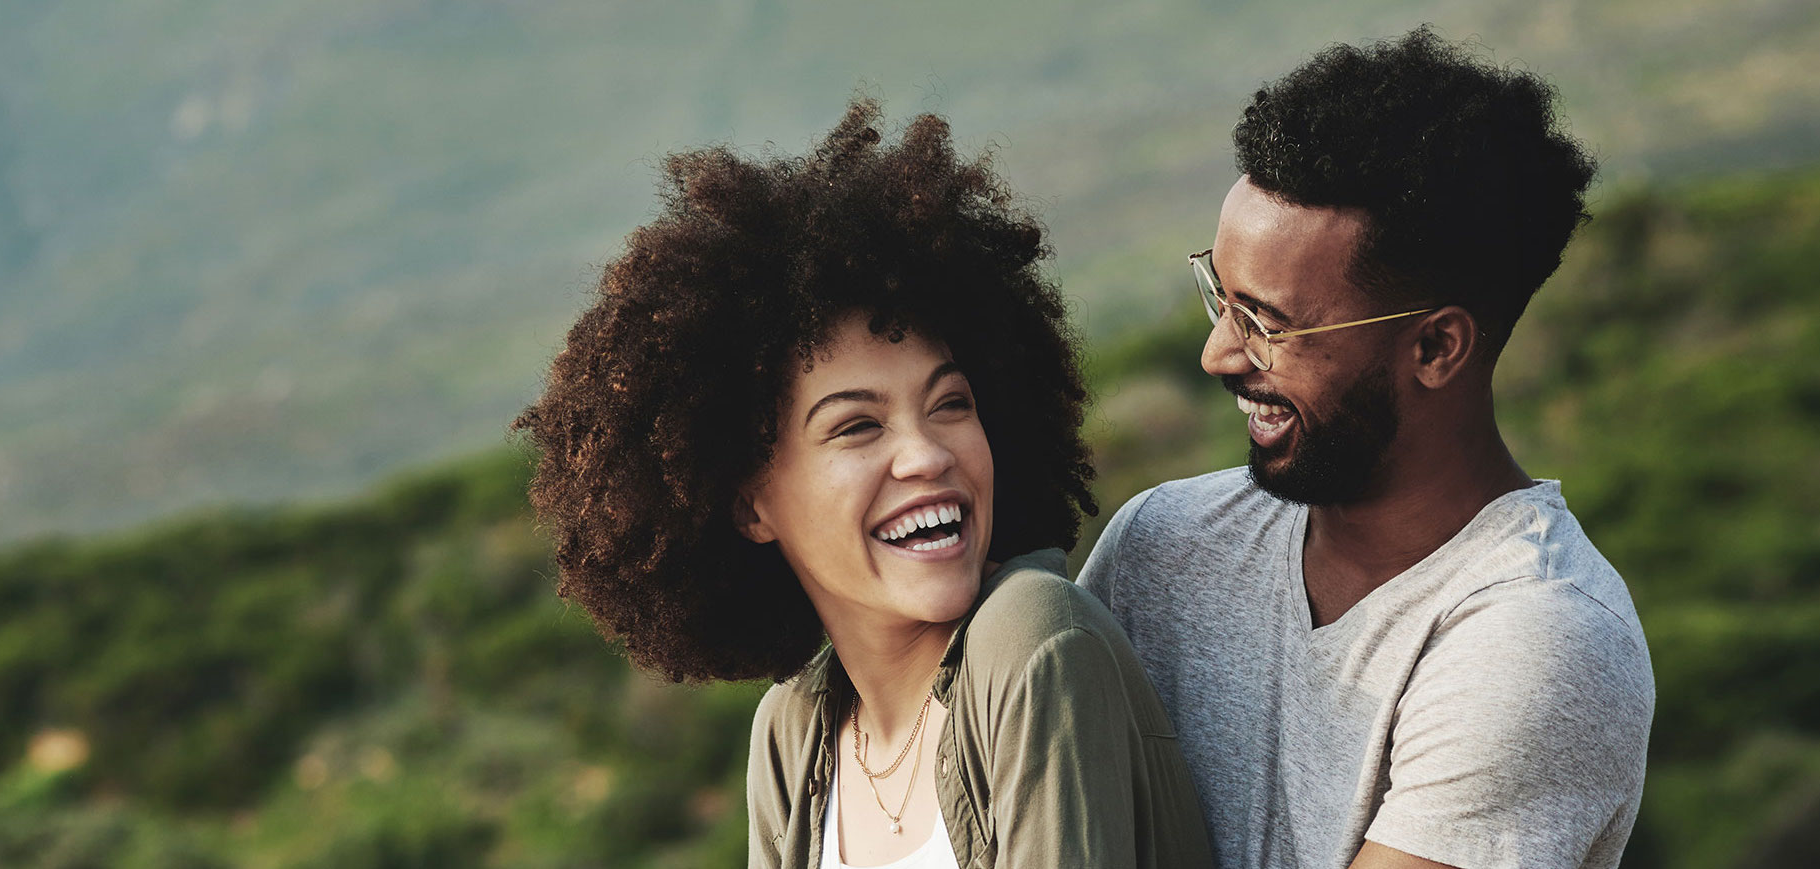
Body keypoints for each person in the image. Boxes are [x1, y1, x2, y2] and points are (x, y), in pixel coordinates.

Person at [516, 100, 1214, 869]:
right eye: (858, 426)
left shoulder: (1033, 641)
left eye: (951, 403)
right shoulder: (792, 734)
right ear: (749, 502)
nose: (926, 455)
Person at [1077, 29, 1657, 869]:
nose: (1220, 355)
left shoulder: (1538, 640)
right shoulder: (1164, 545)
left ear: (1436, 349)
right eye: (1221, 301)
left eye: (1267, 324)